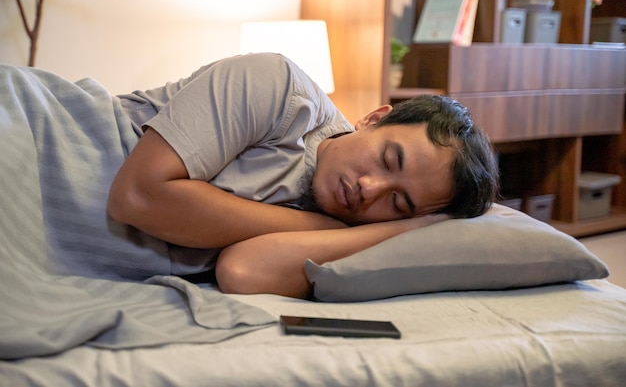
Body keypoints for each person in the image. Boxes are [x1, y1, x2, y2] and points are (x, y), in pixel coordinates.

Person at [107, 52, 499, 299]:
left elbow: (242, 271)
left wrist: (399, 231)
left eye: (398, 203)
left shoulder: (349, 232)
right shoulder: (280, 90)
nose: (370, 188)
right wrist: (324, 225)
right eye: (387, 159)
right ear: (374, 119)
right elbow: (137, 196)